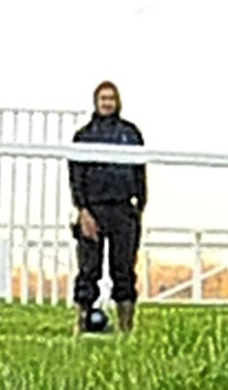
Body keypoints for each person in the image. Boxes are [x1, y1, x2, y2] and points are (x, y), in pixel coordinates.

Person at [69, 80, 145, 334]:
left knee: (123, 270)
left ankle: (126, 329)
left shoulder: (131, 135)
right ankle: (80, 325)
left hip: (123, 210)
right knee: (88, 270)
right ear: (96, 102)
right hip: (93, 209)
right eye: (103, 99)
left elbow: (140, 172)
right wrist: (83, 211)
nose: (107, 103)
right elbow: (76, 177)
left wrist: (138, 207)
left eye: (111, 98)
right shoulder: (83, 136)